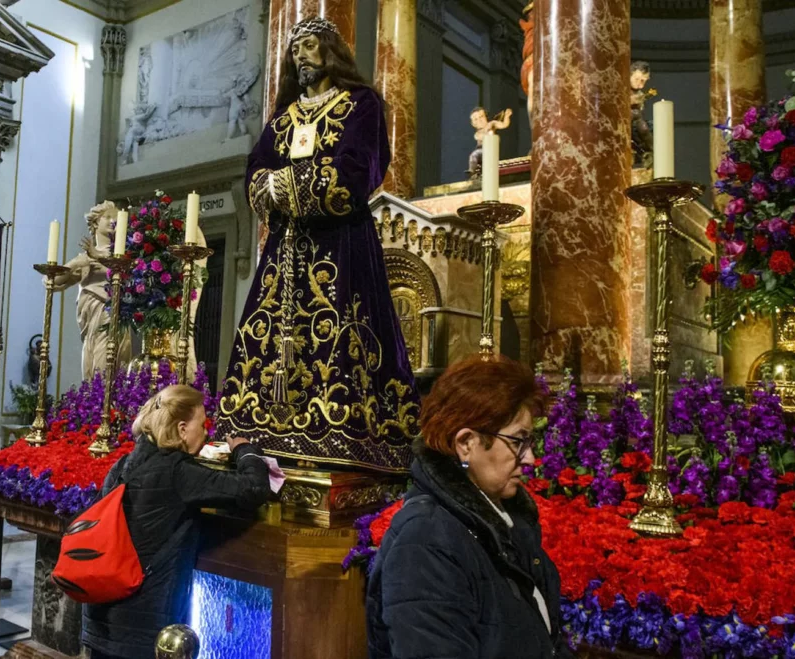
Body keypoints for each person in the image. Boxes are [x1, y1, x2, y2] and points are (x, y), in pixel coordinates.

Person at [216, 16, 419, 473]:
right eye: (295, 49)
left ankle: (343, 433)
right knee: (269, 336)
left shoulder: (360, 103)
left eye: (309, 46)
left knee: (344, 331)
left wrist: (286, 184)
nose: (301, 55)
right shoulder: (284, 117)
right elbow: (256, 169)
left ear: (331, 50)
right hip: (285, 248)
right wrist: (267, 184)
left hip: (341, 244)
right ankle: (264, 428)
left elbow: (358, 168)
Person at [366, 356, 571, 658]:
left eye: (530, 442)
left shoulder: (504, 522)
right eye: (517, 442)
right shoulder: (424, 542)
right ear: (466, 443)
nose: (529, 459)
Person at [83, 384, 271, 659]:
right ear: (182, 429)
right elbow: (254, 489)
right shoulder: (179, 472)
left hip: (103, 620)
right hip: (145, 629)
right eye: (202, 424)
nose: (207, 432)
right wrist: (245, 451)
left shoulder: (121, 466)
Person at [49, 201, 134, 380]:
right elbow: (51, 281)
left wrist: (99, 256)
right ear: (95, 223)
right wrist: (74, 265)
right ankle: (96, 398)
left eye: (116, 218)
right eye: (108, 217)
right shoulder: (86, 259)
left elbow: (127, 267)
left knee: (118, 359)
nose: (113, 221)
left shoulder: (123, 256)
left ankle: (111, 400)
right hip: (95, 315)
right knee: (96, 356)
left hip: (117, 313)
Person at [467, 106, 513, 178]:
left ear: (486, 117)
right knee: (474, 156)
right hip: (481, 149)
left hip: (491, 148)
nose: (479, 120)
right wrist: (487, 133)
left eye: (481, 116)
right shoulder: (477, 133)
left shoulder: (492, 124)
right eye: (476, 119)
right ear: (473, 124)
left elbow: (504, 125)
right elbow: (479, 137)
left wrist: (507, 116)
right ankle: (473, 171)